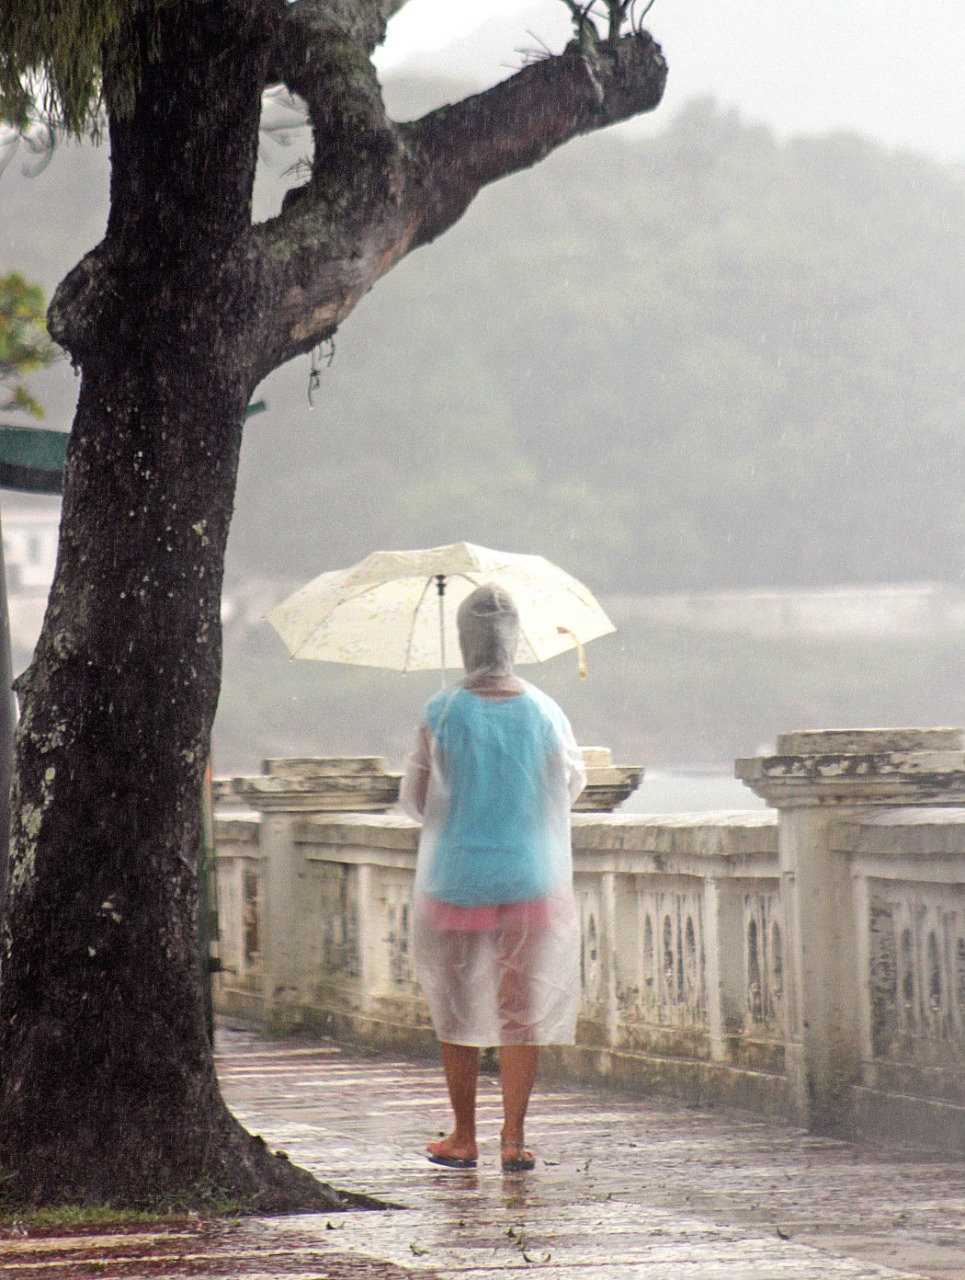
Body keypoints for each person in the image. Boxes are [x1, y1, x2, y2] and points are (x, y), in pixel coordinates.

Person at [400, 583, 586, 1173]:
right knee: (520, 1007)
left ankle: (463, 1135)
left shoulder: (442, 710)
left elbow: (416, 796)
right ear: (515, 640)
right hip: (530, 874)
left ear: (464, 640)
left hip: (457, 874)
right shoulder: (544, 709)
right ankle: (513, 1138)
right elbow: (570, 785)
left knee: (456, 1003)